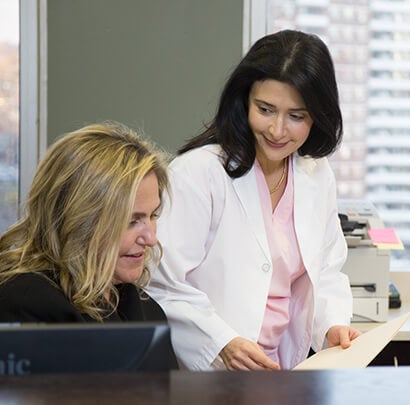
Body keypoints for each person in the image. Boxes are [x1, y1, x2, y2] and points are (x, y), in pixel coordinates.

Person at [146, 29, 360, 371]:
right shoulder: (199, 173)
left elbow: (326, 270)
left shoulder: (315, 174)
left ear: (317, 117)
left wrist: (332, 325)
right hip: (212, 372)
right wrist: (222, 342)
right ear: (244, 100)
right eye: (265, 109)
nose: (277, 130)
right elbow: (162, 284)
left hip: (280, 372)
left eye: (296, 116)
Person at [0, 122, 171, 326]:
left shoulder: (144, 307)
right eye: (131, 221)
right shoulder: (28, 303)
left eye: (153, 215)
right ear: (78, 221)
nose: (151, 239)